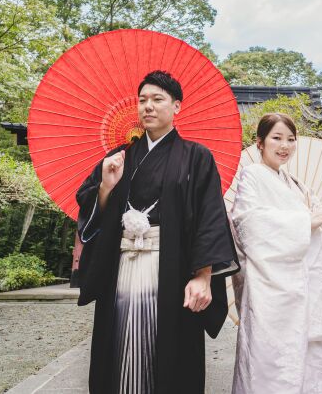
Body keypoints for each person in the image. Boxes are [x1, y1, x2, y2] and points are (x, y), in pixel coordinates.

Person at [75, 70, 239, 394]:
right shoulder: (119, 158)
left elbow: (209, 218)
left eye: (157, 99)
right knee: (118, 346)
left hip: (172, 269)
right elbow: (90, 208)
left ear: (176, 106)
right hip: (121, 267)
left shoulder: (197, 156)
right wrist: (106, 187)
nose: (148, 106)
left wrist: (203, 276)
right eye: (142, 100)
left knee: (169, 355)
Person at [230, 113, 322, 394]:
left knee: (315, 358)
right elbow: (248, 223)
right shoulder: (252, 176)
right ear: (260, 142)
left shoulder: (298, 185)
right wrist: (306, 222)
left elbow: (315, 225)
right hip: (273, 287)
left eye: (291, 139)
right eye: (277, 138)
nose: (285, 146)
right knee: (273, 360)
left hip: (309, 283)